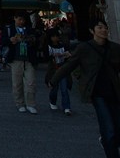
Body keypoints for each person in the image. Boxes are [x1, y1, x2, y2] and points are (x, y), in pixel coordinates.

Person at [51, 19, 120, 157]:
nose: (103, 30)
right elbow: (69, 66)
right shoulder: (84, 48)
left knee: (117, 128)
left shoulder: (115, 48)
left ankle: (106, 140)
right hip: (96, 91)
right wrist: (54, 80)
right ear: (92, 31)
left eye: (105, 27)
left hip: (114, 91)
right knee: (109, 128)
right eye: (99, 27)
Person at [1, 13, 41, 113]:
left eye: (23, 20)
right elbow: (3, 41)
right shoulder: (9, 28)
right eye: (19, 19)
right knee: (17, 83)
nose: (21, 22)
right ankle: (20, 103)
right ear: (15, 18)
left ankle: (31, 104)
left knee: (31, 82)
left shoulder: (29, 29)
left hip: (28, 59)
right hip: (15, 59)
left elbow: (35, 41)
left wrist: (26, 39)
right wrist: (10, 40)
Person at [45, 29, 73, 115]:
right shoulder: (48, 46)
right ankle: (52, 101)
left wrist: (67, 55)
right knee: (55, 88)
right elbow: (46, 57)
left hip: (62, 68)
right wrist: (52, 56)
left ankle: (67, 107)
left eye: (56, 36)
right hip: (53, 69)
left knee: (64, 89)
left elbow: (69, 55)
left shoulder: (63, 46)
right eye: (53, 36)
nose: (55, 38)